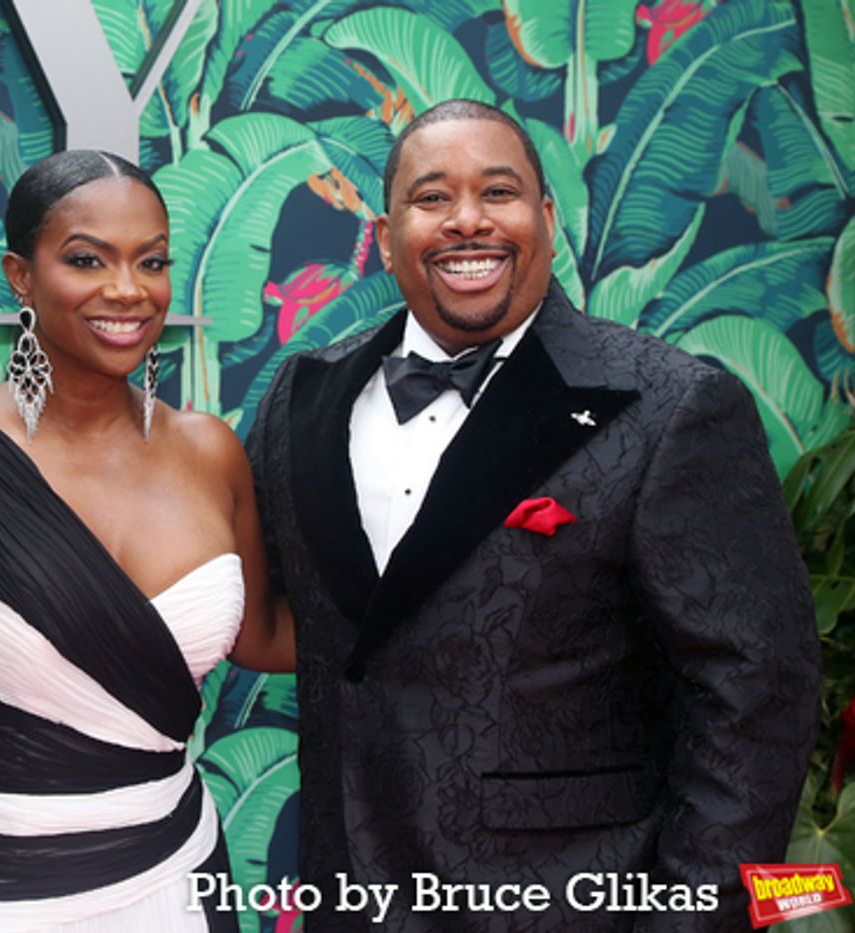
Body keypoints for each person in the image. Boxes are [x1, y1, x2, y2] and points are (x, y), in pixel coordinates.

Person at [245, 99, 821, 931]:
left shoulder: (668, 405)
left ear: (546, 217)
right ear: (385, 235)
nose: (467, 220)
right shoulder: (302, 396)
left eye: (498, 192)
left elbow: (753, 692)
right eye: (432, 197)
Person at [0, 149, 293, 931]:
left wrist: (443, 600)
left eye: (151, 261)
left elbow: (262, 636)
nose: (128, 289)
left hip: (171, 879)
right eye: (88, 259)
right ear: (21, 277)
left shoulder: (211, 452)